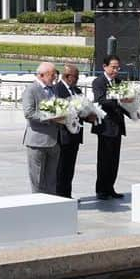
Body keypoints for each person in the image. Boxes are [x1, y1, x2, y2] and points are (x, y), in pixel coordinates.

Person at [92, 54, 131, 199]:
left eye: (117, 67)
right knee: (104, 159)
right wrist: (117, 99)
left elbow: (124, 104)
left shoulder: (119, 82)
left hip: (117, 127)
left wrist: (132, 112)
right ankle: (101, 189)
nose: (116, 70)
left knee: (115, 159)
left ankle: (110, 187)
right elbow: (100, 100)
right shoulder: (99, 82)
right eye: (113, 67)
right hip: (105, 126)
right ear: (105, 67)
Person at [22, 61, 61, 194]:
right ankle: (38, 207)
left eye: (55, 74)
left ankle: (51, 206)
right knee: (37, 180)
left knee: (51, 179)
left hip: (54, 141)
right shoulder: (31, 90)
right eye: (52, 74)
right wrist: (49, 117)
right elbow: (28, 113)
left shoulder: (54, 89)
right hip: (37, 141)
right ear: (41, 75)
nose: (55, 77)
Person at [54, 63, 89, 198]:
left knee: (70, 167)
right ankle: (59, 195)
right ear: (68, 76)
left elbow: (83, 110)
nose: (78, 79)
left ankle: (67, 194)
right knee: (61, 167)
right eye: (76, 77)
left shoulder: (77, 91)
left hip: (75, 135)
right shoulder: (57, 89)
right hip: (63, 135)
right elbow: (58, 110)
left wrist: (89, 113)